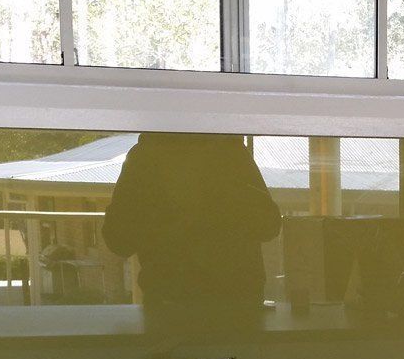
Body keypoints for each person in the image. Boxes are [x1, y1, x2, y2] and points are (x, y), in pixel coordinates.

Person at [103, 133, 282, 318]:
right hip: (234, 305)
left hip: (173, 305)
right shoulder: (229, 153)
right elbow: (269, 225)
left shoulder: (146, 158)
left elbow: (118, 240)